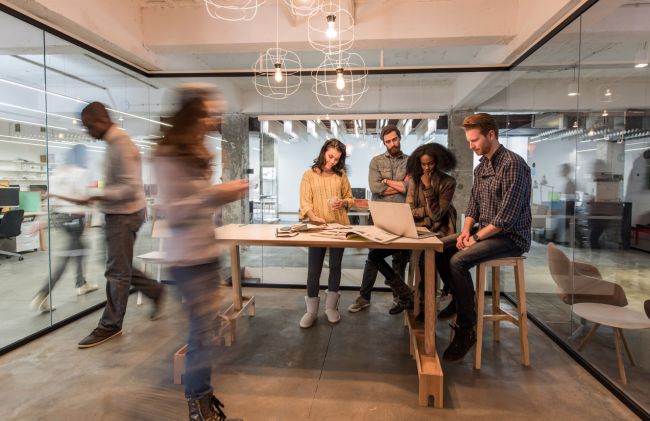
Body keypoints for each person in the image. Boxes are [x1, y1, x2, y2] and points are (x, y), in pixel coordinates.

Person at [154, 87, 248, 421]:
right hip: (188, 261)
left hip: (206, 255)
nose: (214, 120)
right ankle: (197, 403)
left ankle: (202, 396)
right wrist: (217, 194)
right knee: (203, 336)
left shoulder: (197, 152)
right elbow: (174, 214)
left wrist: (216, 196)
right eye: (209, 113)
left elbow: (198, 207)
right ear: (192, 116)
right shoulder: (166, 156)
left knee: (207, 333)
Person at [435, 113, 531, 362]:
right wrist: (466, 230)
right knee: (437, 247)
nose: (471, 146)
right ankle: (459, 298)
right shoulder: (481, 167)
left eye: (475, 140)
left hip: (511, 237)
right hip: (486, 232)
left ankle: (467, 329)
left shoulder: (513, 164)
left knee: (458, 261)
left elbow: (506, 219)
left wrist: (475, 239)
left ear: (491, 135)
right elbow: (474, 205)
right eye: (469, 141)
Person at [77, 102, 164, 349]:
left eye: (88, 125)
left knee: (117, 271)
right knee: (119, 266)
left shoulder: (120, 145)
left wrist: (98, 195)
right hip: (121, 213)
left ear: (101, 121)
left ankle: (110, 324)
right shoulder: (114, 143)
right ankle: (155, 290)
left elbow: (128, 188)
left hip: (123, 214)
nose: (87, 131)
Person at [348, 124, 411, 313]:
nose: (392, 144)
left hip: (402, 215)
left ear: (399, 138)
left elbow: (410, 187)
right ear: (384, 143)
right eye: (388, 141)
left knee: (400, 259)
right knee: (373, 257)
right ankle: (364, 297)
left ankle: (399, 297)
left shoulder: (410, 161)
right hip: (380, 216)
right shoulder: (376, 162)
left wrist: (387, 183)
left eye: (394, 139)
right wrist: (400, 186)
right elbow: (376, 189)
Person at [30, 144, 98, 313]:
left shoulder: (57, 173)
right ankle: (42, 294)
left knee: (81, 249)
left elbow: (50, 200)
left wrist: (40, 221)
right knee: (66, 258)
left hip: (60, 218)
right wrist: (90, 216)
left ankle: (81, 283)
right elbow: (85, 199)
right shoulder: (81, 173)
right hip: (76, 218)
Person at [299, 138, 354, 328]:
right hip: (317, 229)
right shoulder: (309, 175)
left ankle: (331, 308)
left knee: (335, 267)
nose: (332, 162)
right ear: (323, 152)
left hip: (338, 227)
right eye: (330, 156)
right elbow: (305, 202)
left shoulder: (341, 176)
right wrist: (313, 217)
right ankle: (311, 311)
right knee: (314, 269)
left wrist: (343, 203)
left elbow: (350, 198)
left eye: (337, 159)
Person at [405, 143, 457, 319]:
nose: (427, 168)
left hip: (442, 231)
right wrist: (425, 213)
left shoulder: (448, 182)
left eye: (431, 164)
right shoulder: (413, 180)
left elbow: (437, 216)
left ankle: (425, 308)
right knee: (379, 255)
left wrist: (427, 188)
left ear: (438, 162)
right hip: (419, 230)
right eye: (423, 164)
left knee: (427, 260)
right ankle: (416, 300)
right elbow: (408, 210)